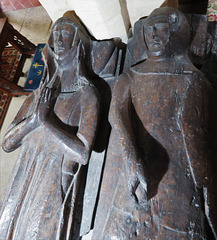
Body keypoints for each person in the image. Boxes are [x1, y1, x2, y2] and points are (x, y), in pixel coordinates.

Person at [92, 7, 217, 239]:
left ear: (177, 32)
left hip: (178, 179)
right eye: (149, 30)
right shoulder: (130, 76)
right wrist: (131, 158)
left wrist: (203, 179)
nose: (153, 35)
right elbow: (116, 115)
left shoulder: (193, 79)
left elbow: (200, 141)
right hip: (136, 173)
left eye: (160, 28)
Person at [0, 14, 99, 240]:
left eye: (66, 33)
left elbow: (82, 154)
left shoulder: (87, 94)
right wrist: (34, 121)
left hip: (55, 179)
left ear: (78, 44)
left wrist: (46, 122)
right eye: (56, 34)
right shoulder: (37, 95)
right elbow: (7, 144)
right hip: (25, 171)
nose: (60, 39)